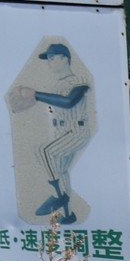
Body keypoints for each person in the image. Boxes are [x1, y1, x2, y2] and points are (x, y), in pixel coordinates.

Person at [6, 43, 93, 226]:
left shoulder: (79, 79)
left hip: (76, 130)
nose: (50, 62)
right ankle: (68, 215)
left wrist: (36, 94)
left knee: (44, 150)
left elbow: (69, 102)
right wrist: (25, 103)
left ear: (65, 58)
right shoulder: (56, 85)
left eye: (53, 58)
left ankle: (58, 196)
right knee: (61, 171)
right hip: (62, 131)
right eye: (49, 59)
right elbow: (49, 102)